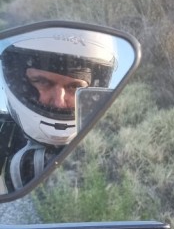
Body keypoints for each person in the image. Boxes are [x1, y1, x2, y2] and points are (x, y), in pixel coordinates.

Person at [0, 26, 118, 193]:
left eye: (75, 87)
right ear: (19, 80)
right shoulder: (3, 132)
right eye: (42, 81)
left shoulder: (109, 148)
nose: (59, 102)